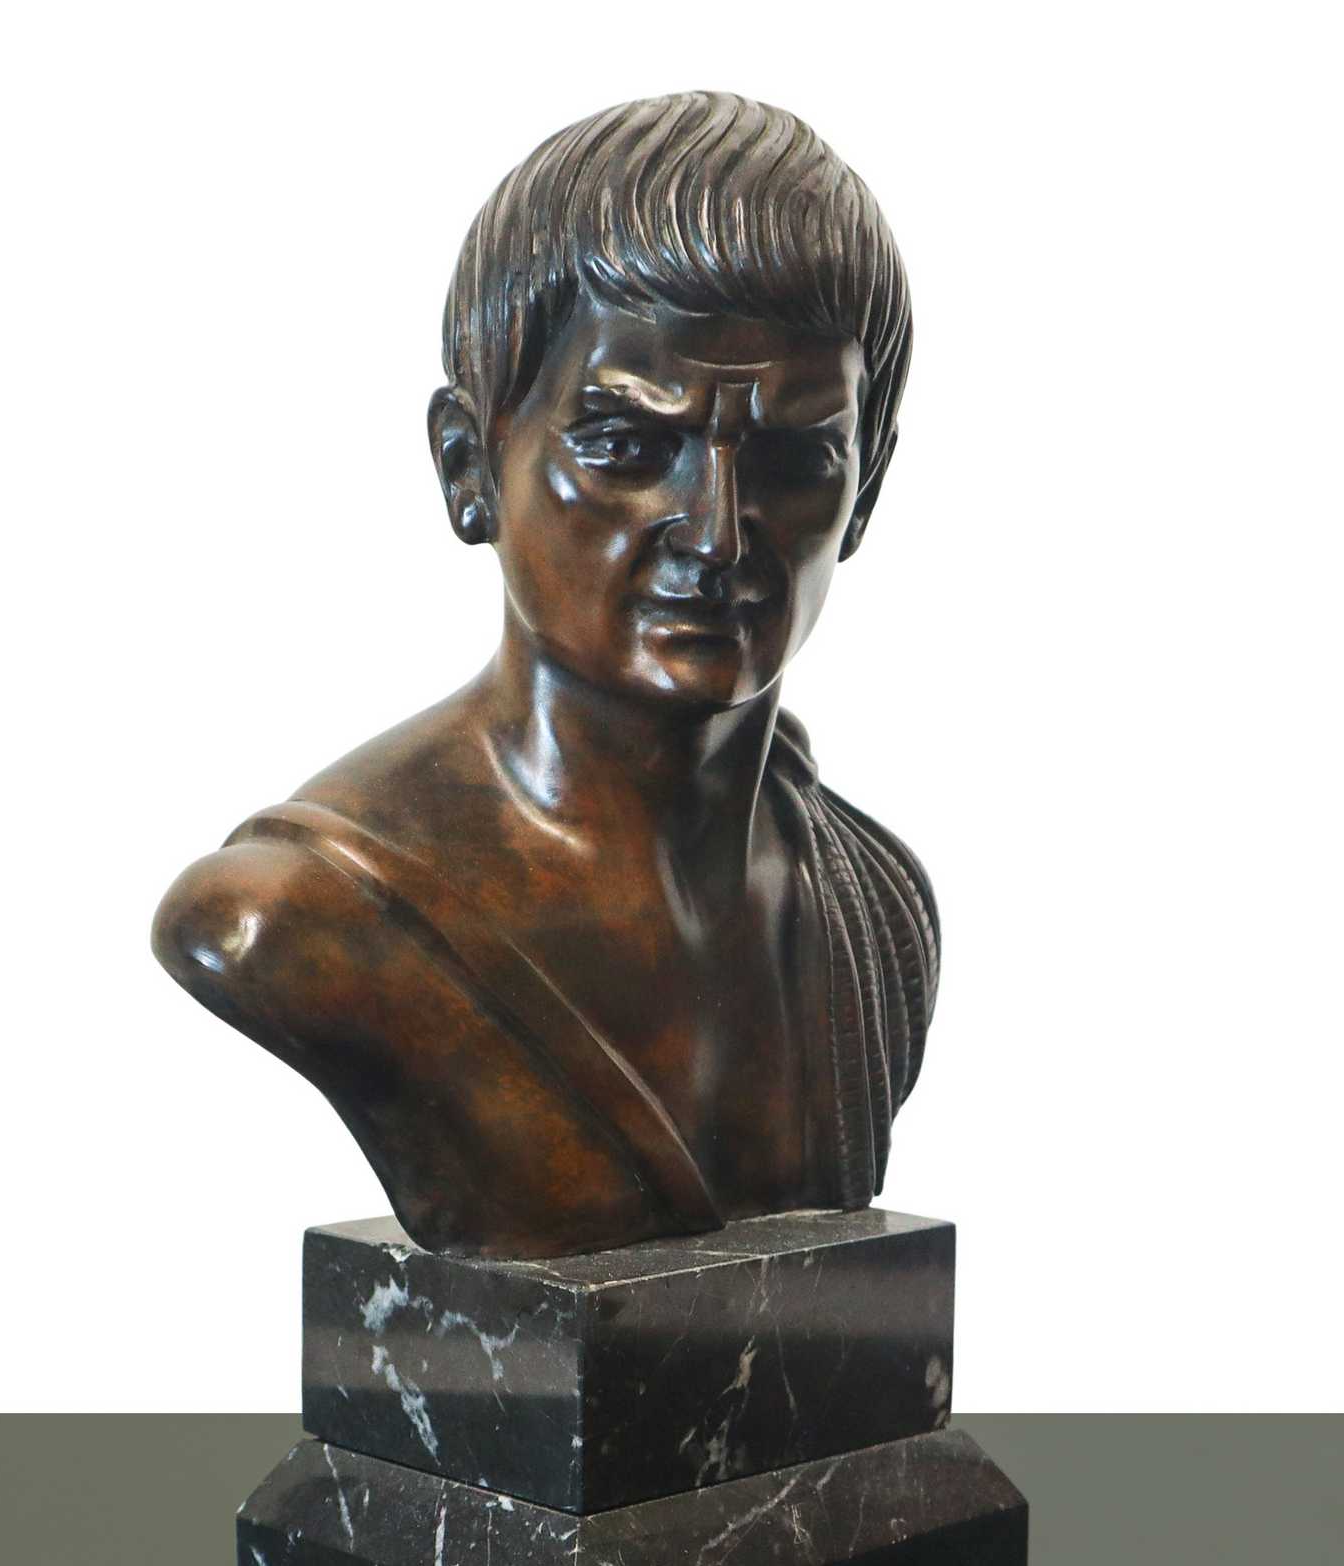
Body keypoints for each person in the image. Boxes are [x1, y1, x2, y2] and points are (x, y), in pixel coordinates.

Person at [153, 92, 938, 1258]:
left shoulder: (878, 917)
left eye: (792, 458)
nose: (718, 532)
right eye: (628, 446)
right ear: (468, 468)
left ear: (864, 492)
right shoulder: (293, 923)